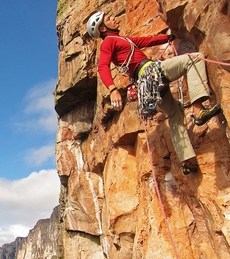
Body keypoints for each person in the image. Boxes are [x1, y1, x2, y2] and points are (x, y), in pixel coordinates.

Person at [87, 12, 222, 175]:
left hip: (147, 85)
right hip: (150, 73)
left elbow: (146, 41)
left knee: (174, 114)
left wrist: (168, 38)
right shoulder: (108, 42)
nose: (114, 18)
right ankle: (198, 110)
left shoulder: (123, 40)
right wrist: (112, 89)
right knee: (194, 58)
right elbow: (102, 66)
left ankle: (186, 160)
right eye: (109, 19)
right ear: (102, 28)